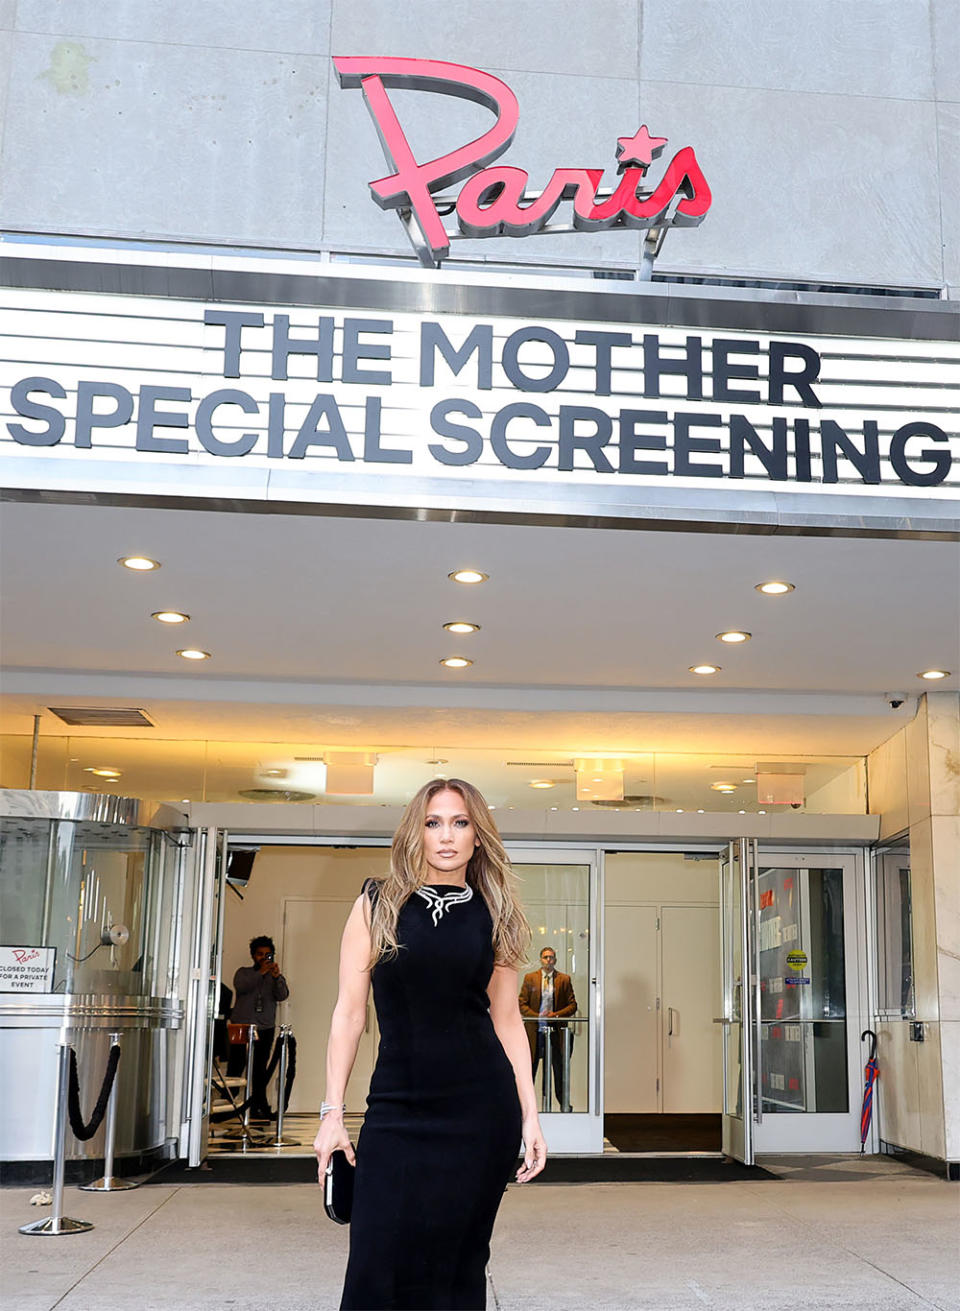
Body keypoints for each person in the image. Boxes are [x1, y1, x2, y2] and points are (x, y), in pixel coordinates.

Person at [313, 778, 547, 1311]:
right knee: (375, 1265)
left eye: (460, 823)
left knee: (458, 1267)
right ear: (415, 832)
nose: (447, 836)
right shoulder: (377, 901)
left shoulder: (496, 910)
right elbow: (349, 1013)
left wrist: (530, 1116)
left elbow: (508, 1021)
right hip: (396, 1111)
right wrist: (332, 1114)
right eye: (433, 822)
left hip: (480, 1114)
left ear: (478, 835)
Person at [228, 935, 289, 1118]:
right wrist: (261, 972)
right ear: (253, 955)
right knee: (235, 1068)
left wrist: (277, 977)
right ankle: (230, 1107)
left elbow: (283, 995)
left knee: (260, 1070)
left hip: (265, 1028)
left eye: (267, 954)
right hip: (241, 1027)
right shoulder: (244, 973)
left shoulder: (274, 976)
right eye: (260, 954)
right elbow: (242, 986)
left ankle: (258, 1107)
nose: (264, 958)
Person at [518, 947, 578, 1112]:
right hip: (534, 1032)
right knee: (530, 1071)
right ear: (540, 960)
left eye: (551, 957)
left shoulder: (564, 979)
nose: (548, 960)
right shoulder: (530, 978)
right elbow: (521, 1003)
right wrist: (537, 1016)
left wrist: (556, 1015)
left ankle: (564, 1106)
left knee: (559, 1071)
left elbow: (573, 1005)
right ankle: (525, 1108)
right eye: (545, 957)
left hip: (556, 1033)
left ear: (555, 960)